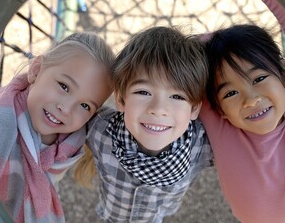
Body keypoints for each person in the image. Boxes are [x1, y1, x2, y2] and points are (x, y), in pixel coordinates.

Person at [199, 0, 285, 222]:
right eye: (230, 93)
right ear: (218, 108)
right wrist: (213, 42)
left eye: (259, 78)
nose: (251, 99)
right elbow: (177, 55)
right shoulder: (221, 123)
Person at [74, 26, 213, 222]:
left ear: (194, 109)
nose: (158, 108)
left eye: (176, 96)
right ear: (121, 99)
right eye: (144, 92)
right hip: (111, 215)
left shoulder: (202, 146)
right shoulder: (99, 130)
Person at [0, 32, 115, 223]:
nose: (66, 108)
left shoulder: (71, 140)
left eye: (85, 105)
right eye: (64, 86)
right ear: (36, 70)